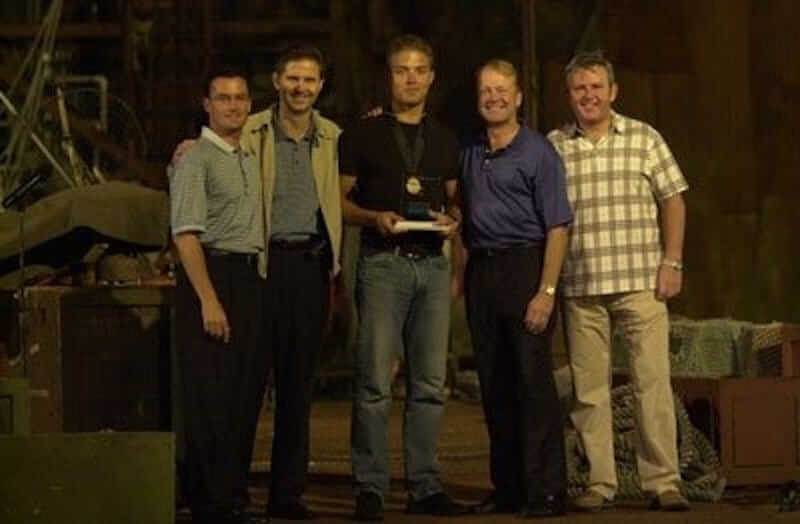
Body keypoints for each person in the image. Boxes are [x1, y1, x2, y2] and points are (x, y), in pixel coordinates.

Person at [171, 44, 342, 521]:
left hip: (307, 265)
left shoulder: (330, 136)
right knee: (235, 388)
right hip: (261, 267)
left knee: (295, 386)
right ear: (277, 82)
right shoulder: (249, 132)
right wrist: (186, 147)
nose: (301, 88)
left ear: (320, 86)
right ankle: (226, 494)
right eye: (293, 79)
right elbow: (202, 162)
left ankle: (285, 495)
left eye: (310, 80)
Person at [547, 50, 690, 512]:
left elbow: (673, 200)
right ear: (568, 95)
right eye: (579, 89)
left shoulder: (645, 138)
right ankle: (601, 483)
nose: (588, 96)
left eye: (595, 87)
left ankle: (663, 482)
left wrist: (673, 262)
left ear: (612, 91)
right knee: (589, 392)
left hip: (641, 284)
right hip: (581, 286)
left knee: (653, 384)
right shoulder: (554, 146)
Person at [338, 34, 468, 521]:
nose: (410, 78)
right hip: (382, 264)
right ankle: (369, 488)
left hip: (432, 265)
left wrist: (454, 220)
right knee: (373, 382)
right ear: (389, 76)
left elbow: (454, 199)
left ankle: (425, 486)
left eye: (419, 70)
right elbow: (340, 201)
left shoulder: (446, 138)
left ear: (431, 78)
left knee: (430, 383)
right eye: (401, 70)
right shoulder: (363, 134)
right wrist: (373, 218)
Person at [455, 59, 572, 518]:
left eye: (503, 90)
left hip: (527, 267)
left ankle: (546, 490)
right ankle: (507, 488)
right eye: (486, 90)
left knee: (533, 384)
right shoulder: (470, 149)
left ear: (519, 97)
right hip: (484, 272)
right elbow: (462, 207)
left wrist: (545, 291)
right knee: (495, 385)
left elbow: (558, 227)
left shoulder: (538, 152)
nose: (494, 97)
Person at [170, 67, 266, 524]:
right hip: (212, 274)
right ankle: (210, 503)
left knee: (242, 393)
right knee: (210, 396)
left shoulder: (246, 154)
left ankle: (232, 495)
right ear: (206, 104)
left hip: (248, 279)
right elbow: (186, 234)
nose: (233, 105)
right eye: (223, 98)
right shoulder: (195, 159)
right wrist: (208, 298)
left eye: (240, 97)